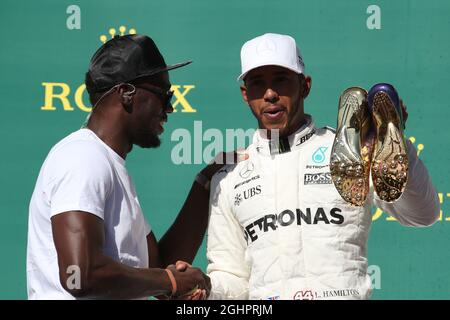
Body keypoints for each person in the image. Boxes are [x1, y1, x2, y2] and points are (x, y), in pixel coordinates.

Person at [202, 33, 440, 300]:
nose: (270, 94)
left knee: (378, 152)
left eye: (281, 80)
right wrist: (204, 290)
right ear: (246, 94)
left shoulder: (347, 151)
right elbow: (232, 277)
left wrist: (399, 149)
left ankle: (387, 134)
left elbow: (423, 214)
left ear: (305, 86)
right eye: (258, 84)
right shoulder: (230, 176)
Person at [27, 34, 221, 299]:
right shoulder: (82, 156)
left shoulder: (110, 165)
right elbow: (78, 274)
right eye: (164, 96)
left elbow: (159, 268)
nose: (170, 108)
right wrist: (169, 280)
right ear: (127, 93)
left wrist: (206, 184)